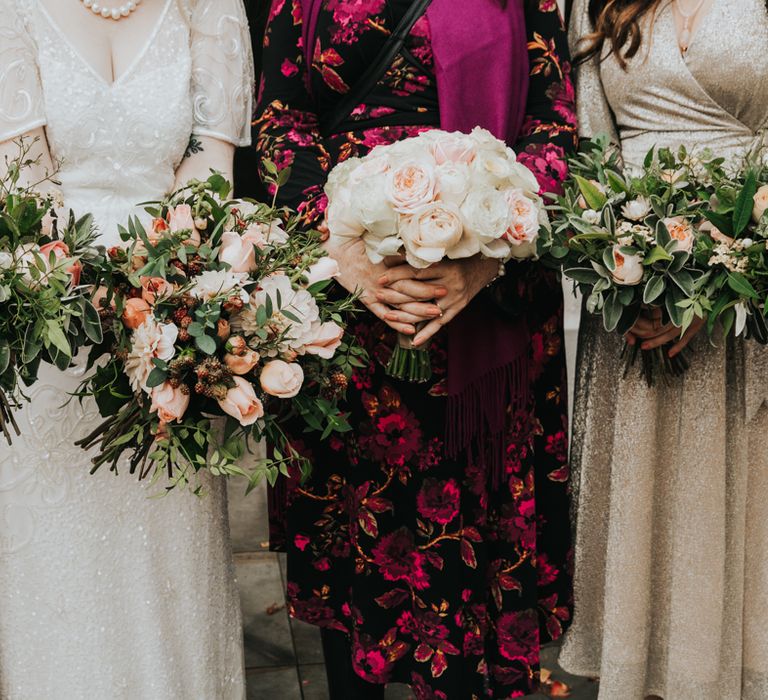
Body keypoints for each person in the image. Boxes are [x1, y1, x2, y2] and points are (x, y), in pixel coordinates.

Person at [254, 0, 577, 697]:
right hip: (347, 317)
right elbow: (281, 125)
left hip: (488, 303)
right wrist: (344, 253)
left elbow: (555, 131)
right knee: (354, 561)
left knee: (467, 561)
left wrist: (490, 251)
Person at [0, 1, 253, 697]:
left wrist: (164, 296)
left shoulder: (209, 7)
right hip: (55, 326)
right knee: (60, 557)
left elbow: (210, 172)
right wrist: (92, 289)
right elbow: (21, 185)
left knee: (167, 553)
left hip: (170, 323)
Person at [561, 1, 768, 698]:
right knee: (648, 510)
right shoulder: (602, 2)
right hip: (631, 299)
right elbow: (591, 151)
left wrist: (723, 287)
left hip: (749, 299)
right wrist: (616, 267)